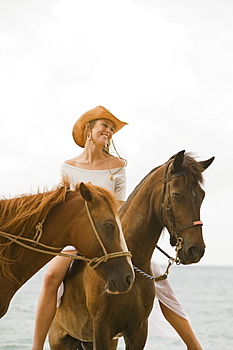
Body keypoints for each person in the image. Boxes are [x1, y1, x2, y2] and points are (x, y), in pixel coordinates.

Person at [32, 106, 202, 350]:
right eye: (104, 125)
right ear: (88, 129)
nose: (109, 131)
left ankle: (193, 345)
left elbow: (120, 209)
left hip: (109, 236)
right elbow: (67, 207)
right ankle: (36, 346)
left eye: (112, 129)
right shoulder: (68, 167)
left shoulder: (117, 166)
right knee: (50, 277)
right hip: (77, 236)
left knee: (156, 277)